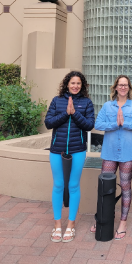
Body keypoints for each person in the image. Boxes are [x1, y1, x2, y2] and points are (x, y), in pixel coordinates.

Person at [91, 75, 132, 240]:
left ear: (129, 88)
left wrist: (126, 124)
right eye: (120, 85)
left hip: (129, 153)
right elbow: (98, 124)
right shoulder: (108, 106)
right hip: (109, 152)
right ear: (115, 87)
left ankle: (123, 221)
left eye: (126, 85)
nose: (123, 87)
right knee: (105, 186)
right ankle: (102, 217)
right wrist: (115, 124)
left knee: (125, 186)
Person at [45, 71, 95, 243]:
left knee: (73, 185)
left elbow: (89, 125)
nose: (75, 86)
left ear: (82, 86)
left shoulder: (86, 102)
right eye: (72, 83)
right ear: (67, 84)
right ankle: (57, 224)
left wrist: (75, 113)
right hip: (57, 150)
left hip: (77, 150)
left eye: (78, 83)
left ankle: (71, 225)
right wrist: (66, 113)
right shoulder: (56, 100)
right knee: (58, 185)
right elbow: (48, 123)